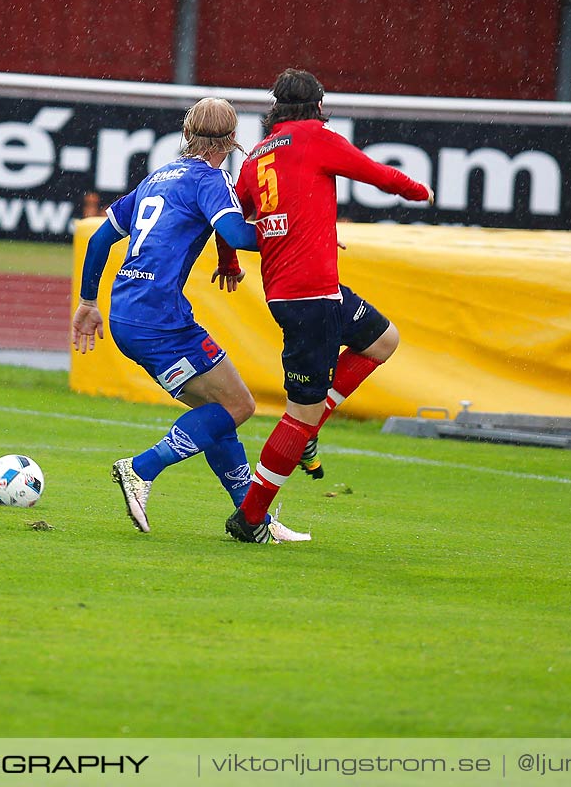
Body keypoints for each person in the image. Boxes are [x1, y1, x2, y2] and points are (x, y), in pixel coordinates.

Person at [73, 98, 308, 543]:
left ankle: (252, 518)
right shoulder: (211, 178)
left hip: (128, 313)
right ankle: (141, 469)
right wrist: (293, 232)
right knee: (239, 407)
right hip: (162, 319)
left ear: (187, 132)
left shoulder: (159, 176)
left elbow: (100, 240)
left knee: (216, 412)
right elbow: (236, 233)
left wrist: (88, 302)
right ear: (234, 139)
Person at [221, 68, 432, 544]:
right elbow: (377, 175)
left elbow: (233, 216)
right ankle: (250, 518)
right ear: (317, 106)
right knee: (299, 413)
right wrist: (419, 192)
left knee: (382, 341)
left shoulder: (255, 156)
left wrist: (230, 261)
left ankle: (313, 427)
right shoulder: (316, 137)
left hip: (305, 293)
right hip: (311, 299)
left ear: (274, 108)